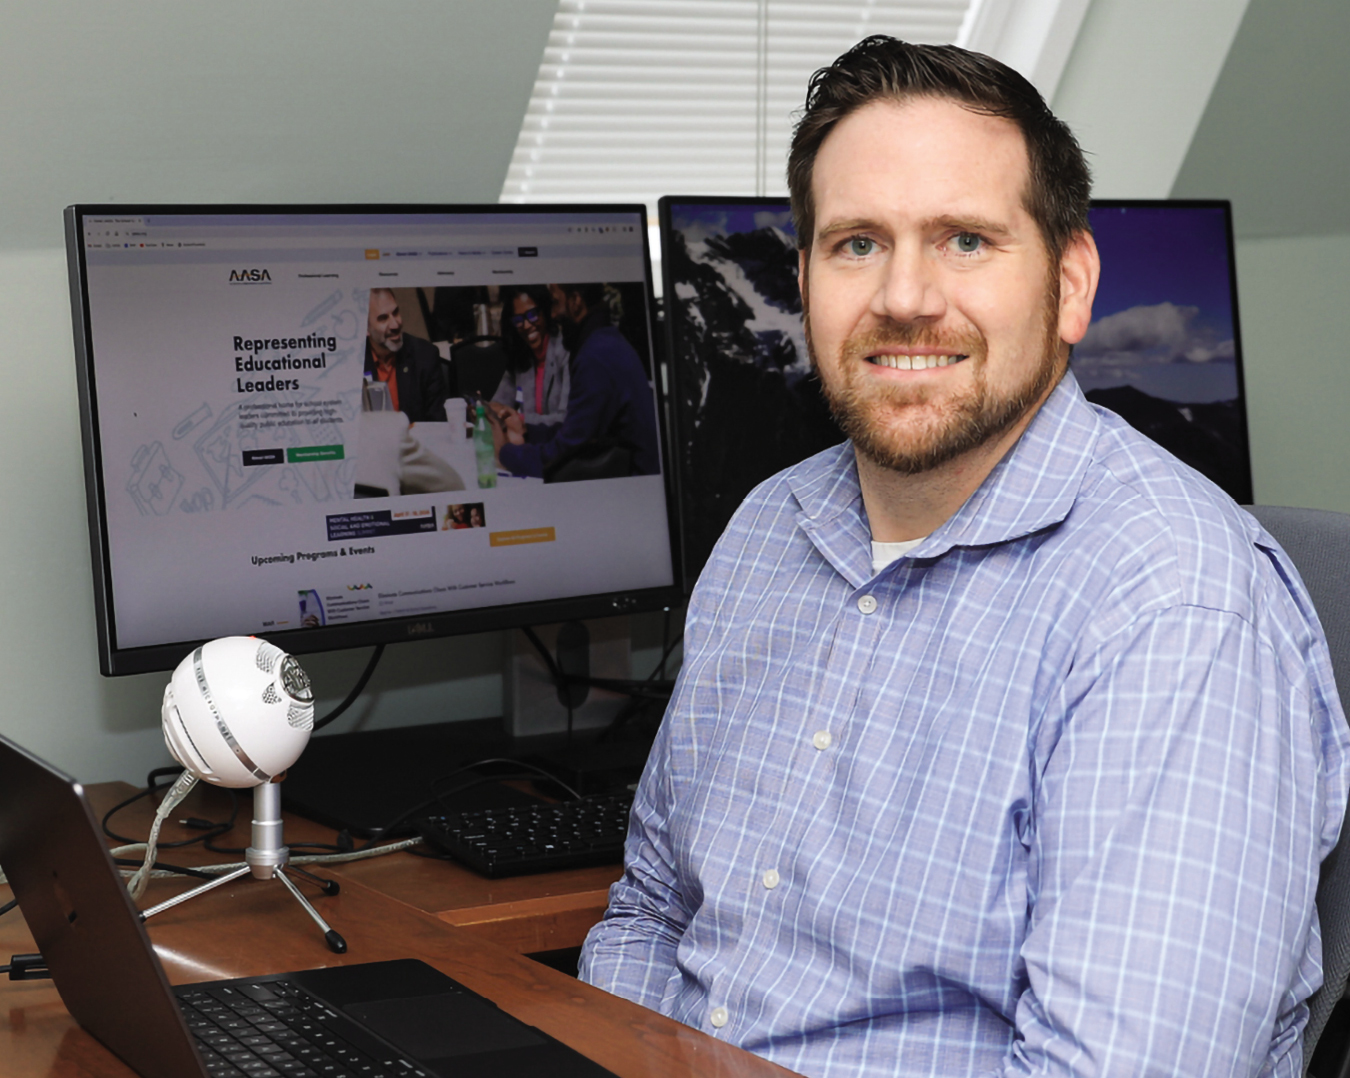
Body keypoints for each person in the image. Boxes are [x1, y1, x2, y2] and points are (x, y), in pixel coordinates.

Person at [579, 37, 1350, 1078]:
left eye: (966, 241)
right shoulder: (769, 530)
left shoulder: (1174, 609)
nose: (904, 296)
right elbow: (651, 909)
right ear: (803, 279)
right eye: (856, 243)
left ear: (1071, 284)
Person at [490, 282, 660, 480]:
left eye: (555, 303)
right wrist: (528, 430)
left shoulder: (595, 357)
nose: (552, 314)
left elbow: (560, 454)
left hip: (633, 485)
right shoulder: (604, 341)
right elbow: (575, 431)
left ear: (576, 301)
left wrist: (505, 452)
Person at [490, 284, 570, 436]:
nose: (526, 325)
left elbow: (565, 419)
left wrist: (520, 419)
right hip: (528, 443)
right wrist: (484, 410)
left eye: (533, 314)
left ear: (545, 312)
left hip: (559, 445)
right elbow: (498, 404)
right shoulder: (521, 355)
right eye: (519, 320)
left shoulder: (565, 351)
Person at [364, 288, 449, 423]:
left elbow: (438, 423)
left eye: (396, 313)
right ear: (366, 328)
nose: (395, 324)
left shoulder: (425, 355)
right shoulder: (353, 364)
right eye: (383, 318)